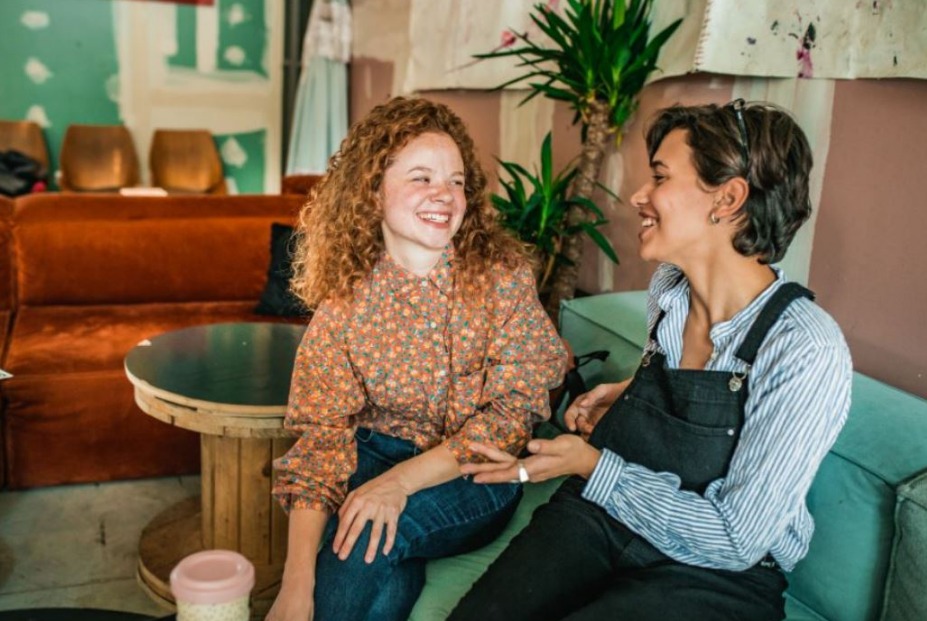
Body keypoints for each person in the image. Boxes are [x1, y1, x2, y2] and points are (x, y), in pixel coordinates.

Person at [449, 100, 853, 621]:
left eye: (660, 176)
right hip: (604, 515)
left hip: (716, 574)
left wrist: (592, 463)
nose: (639, 195)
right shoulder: (669, 288)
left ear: (728, 199)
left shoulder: (805, 348)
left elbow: (735, 539)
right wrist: (625, 391)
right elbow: (692, 390)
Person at [266, 96, 566, 621]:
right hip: (374, 454)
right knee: (381, 563)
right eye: (421, 178)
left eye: (455, 181)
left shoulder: (501, 278)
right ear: (373, 193)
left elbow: (509, 420)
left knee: (365, 534)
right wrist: (295, 588)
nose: (444, 196)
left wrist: (396, 486)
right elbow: (321, 446)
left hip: (476, 477)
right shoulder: (345, 303)